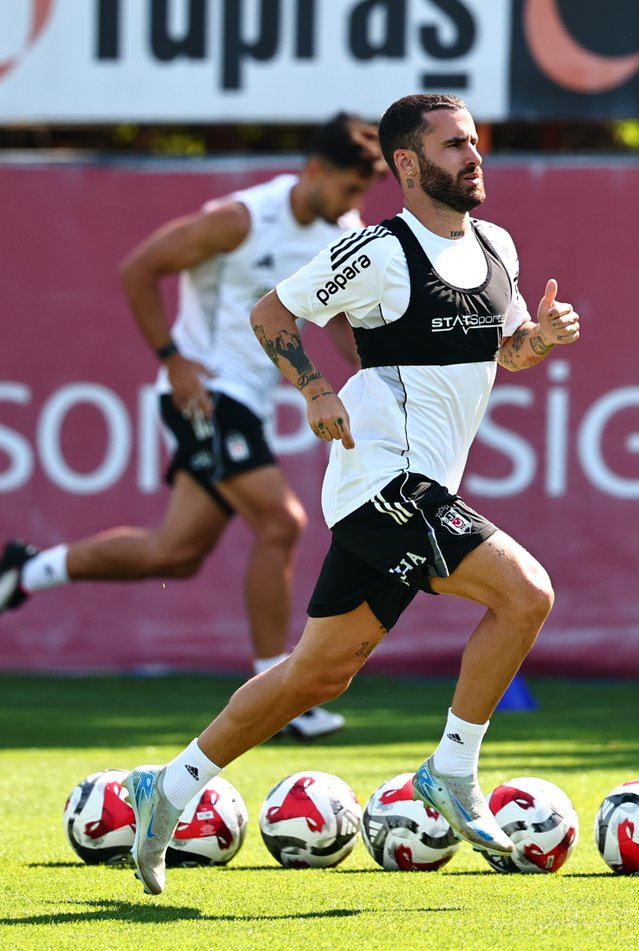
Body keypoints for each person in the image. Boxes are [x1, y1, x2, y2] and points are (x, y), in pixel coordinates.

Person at [118, 92, 581, 895]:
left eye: (474, 143)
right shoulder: (377, 251)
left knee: (314, 676)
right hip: (383, 482)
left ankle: (172, 784)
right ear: (407, 164)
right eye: (452, 146)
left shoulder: (498, 245)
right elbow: (273, 312)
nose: (473, 157)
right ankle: (452, 771)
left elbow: (503, 352)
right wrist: (314, 387)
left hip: (420, 487)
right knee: (526, 592)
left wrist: (537, 338)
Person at [0, 113, 384, 741]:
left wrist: (381, 375)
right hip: (203, 395)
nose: (353, 203)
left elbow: (338, 320)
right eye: (347, 187)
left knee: (173, 553)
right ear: (315, 169)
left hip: (245, 404)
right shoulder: (240, 219)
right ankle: (282, 693)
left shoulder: (343, 232)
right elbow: (139, 268)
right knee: (280, 522)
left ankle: (28, 570)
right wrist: (171, 359)